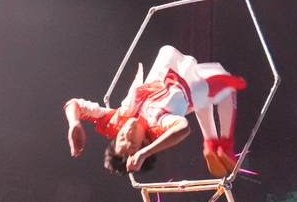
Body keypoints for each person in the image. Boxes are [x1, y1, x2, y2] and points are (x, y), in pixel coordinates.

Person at [65, 44, 247, 176]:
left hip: (170, 78)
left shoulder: (115, 121)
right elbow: (183, 129)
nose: (127, 133)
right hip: (183, 86)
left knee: (204, 98)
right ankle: (225, 144)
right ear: (145, 141)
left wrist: (74, 124)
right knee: (228, 86)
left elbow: (75, 104)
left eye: (121, 138)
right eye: (132, 141)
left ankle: (211, 143)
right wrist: (144, 153)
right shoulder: (158, 123)